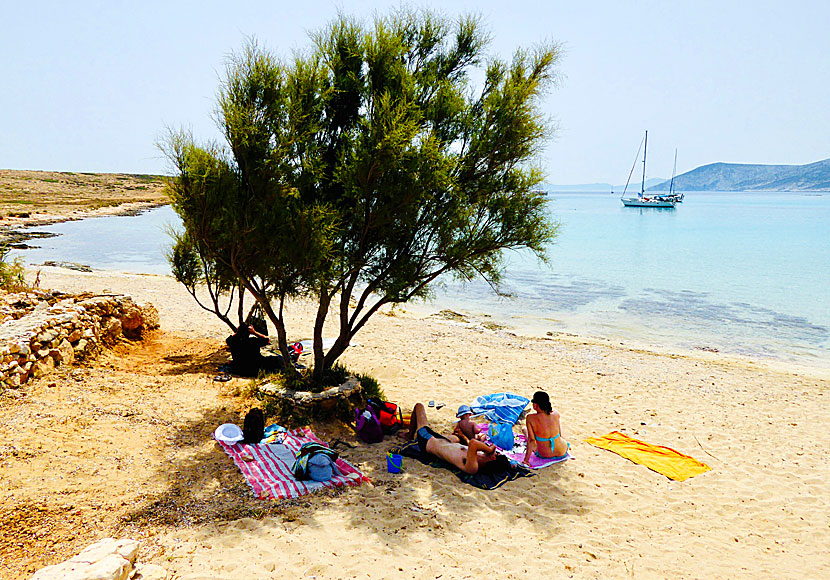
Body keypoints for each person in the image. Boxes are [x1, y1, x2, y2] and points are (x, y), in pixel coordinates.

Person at [400, 403, 499, 474]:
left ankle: (410, 435)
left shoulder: (473, 467)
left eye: (496, 453)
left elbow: (473, 443)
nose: (495, 451)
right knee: (457, 438)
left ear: (493, 457)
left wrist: (489, 449)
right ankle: (411, 434)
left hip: (427, 441)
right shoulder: (479, 456)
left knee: (419, 407)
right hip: (443, 441)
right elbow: (471, 444)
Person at [522, 391, 569, 466]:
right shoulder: (556, 414)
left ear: (535, 405)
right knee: (558, 427)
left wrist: (526, 460)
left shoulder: (530, 418)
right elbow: (560, 433)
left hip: (545, 454)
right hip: (562, 451)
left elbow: (531, 440)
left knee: (524, 430)